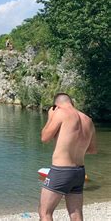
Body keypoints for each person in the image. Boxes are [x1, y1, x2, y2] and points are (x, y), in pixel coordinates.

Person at [38, 93, 97, 221]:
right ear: (72, 103)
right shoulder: (87, 119)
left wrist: (50, 117)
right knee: (76, 215)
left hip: (61, 171)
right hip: (79, 172)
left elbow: (44, 138)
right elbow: (92, 150)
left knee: (45, 213)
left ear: (56, 106)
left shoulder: (60, 113)